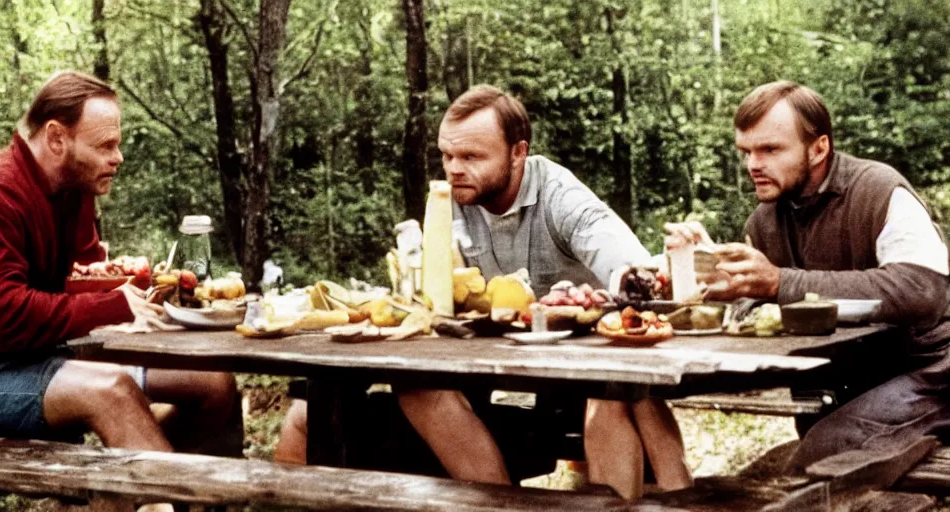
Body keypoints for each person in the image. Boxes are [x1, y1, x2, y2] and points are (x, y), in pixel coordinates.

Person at [277, 85, 692, 499]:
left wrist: (621, 284)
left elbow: (634, 271)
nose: (455, 168)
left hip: (586, 371)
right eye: (447, 155)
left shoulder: (560, 196)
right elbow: (434, 295)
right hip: (486, 360)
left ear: (518, 153)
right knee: (371, 396)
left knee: (616, 397)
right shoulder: (453, 200)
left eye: (472, 156)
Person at [0, 72, 242, 462]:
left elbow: (88, 278)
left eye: (118, 144)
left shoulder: (73, 190)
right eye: (105, 145)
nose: (118, 157)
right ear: (57, 138)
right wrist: (117, 304)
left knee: (213, 384)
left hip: (51, 352)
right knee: (113, 390)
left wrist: (149, 291)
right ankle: (154, 494)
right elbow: (4, 318)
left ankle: (130, 492)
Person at [665, 80, 950, 469]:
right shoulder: (766, 219)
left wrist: (781, 282)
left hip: (928, 371)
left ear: (819, 147)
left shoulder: (879, 190)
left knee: (824, 454)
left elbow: (923, 290)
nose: (753, 165)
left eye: (770, 149)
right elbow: (762, 305)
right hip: (845, 378)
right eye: (746, 151)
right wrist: (716, 280)